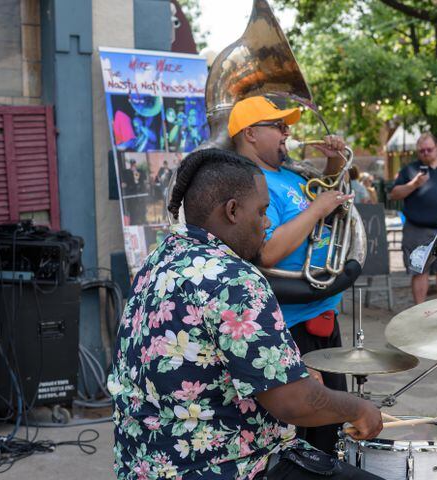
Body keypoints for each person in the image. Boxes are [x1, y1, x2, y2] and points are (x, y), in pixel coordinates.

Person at [110, 148, 383, 480]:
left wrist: (293, 370)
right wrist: (359, 408)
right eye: (262, 211)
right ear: (233, 211)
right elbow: (290, 404)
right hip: (222, 466)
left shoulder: (159, 261)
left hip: (145, 463)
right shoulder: (234, 279)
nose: (266, 223)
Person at [228, 95, 352, 454]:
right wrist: (317, 209)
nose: (287, 133)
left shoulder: (287, 173)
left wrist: (333, 162)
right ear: (250, 133)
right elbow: (266, 250)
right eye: (278, 126)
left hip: (322, 312)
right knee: (305, 433)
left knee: (331, 426)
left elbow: (323, 195)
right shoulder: (249, 182)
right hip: (292, 324)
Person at [389, 133, 437, 304]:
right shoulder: (409, 170)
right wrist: (414, 184)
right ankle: (421, 312)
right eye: (421, 150)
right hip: (418, 229)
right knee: (419, 271)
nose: (425, 153)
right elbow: (393, 194)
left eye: (429, 149)